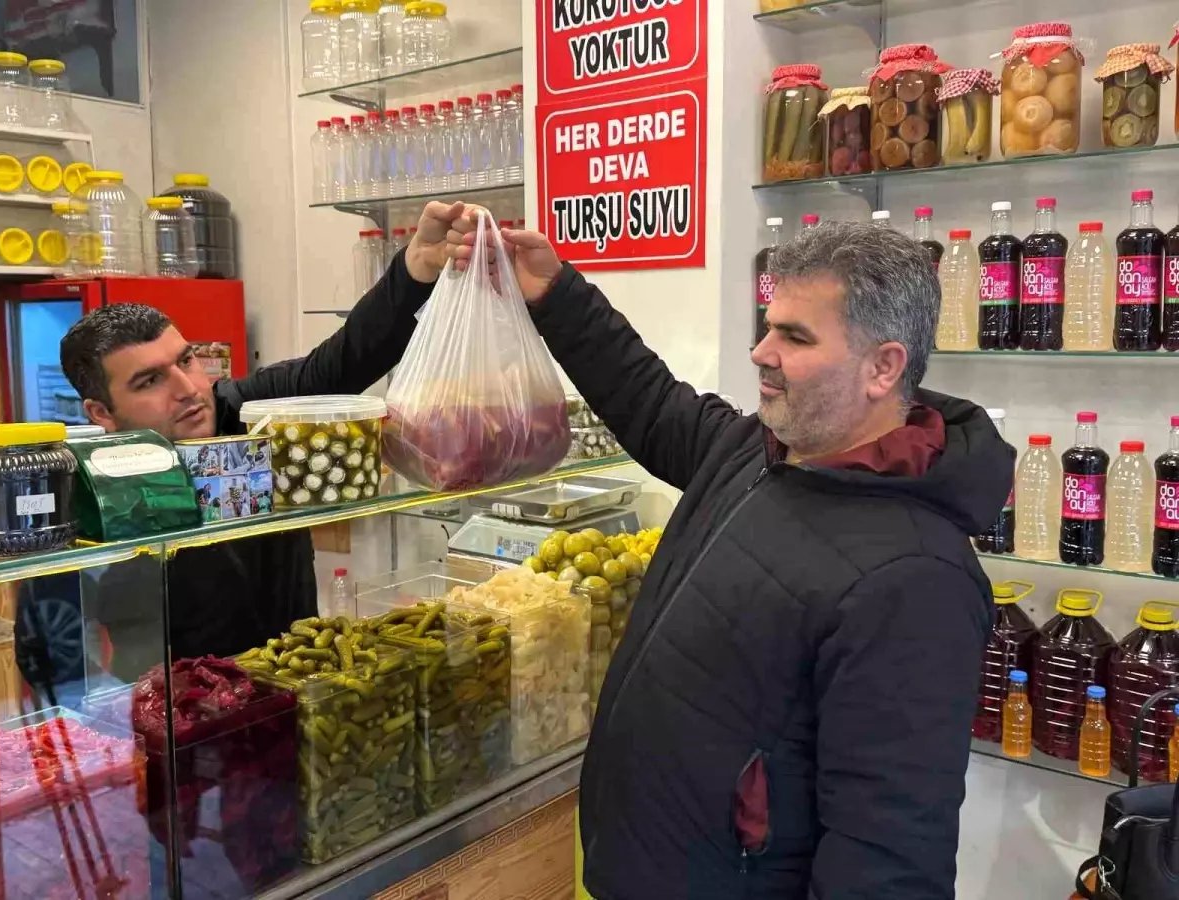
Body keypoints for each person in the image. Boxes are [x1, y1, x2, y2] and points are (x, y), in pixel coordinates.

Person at [448, 215, 1015, 898]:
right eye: (768, 326)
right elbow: (650, 402)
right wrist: (554, 292)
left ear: (883, 367)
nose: (760, 352)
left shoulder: (916, 578)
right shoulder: (761, 452)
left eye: (794, 337)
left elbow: (889, 855)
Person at [57, 201, 462, 680]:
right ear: (101, 413)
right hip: (182, 707)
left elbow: (342, 361)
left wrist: (416, 268)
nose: (188, 388)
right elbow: (65, 653)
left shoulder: (249, 414)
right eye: (149, 381)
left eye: (186, 361)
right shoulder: (89, 489)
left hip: (295, 683)